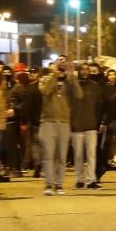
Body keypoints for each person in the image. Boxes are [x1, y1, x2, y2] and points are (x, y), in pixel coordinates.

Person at [68, 63, 106, 190]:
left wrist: (101, 121)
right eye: (82, 69)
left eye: (87, 69)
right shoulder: (73, 86)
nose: (85, 71)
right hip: (76, 126)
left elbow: (100, 105)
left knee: (91, 155)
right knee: (78, 155)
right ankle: (79, 179)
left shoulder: (95, 87)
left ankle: (91, 180)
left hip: (91, 125)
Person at [39, 63, 72, 196]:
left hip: (64, 122)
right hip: (48, 121)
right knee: (48, 155)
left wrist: (71, 77)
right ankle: (49, 183)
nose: (61, 69)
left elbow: (79, 95)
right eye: (59, 66)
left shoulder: (69, 82)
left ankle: (59, 184)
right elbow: (45, 91)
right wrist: (54, 75)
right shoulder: (46, 79)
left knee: (62, 156)